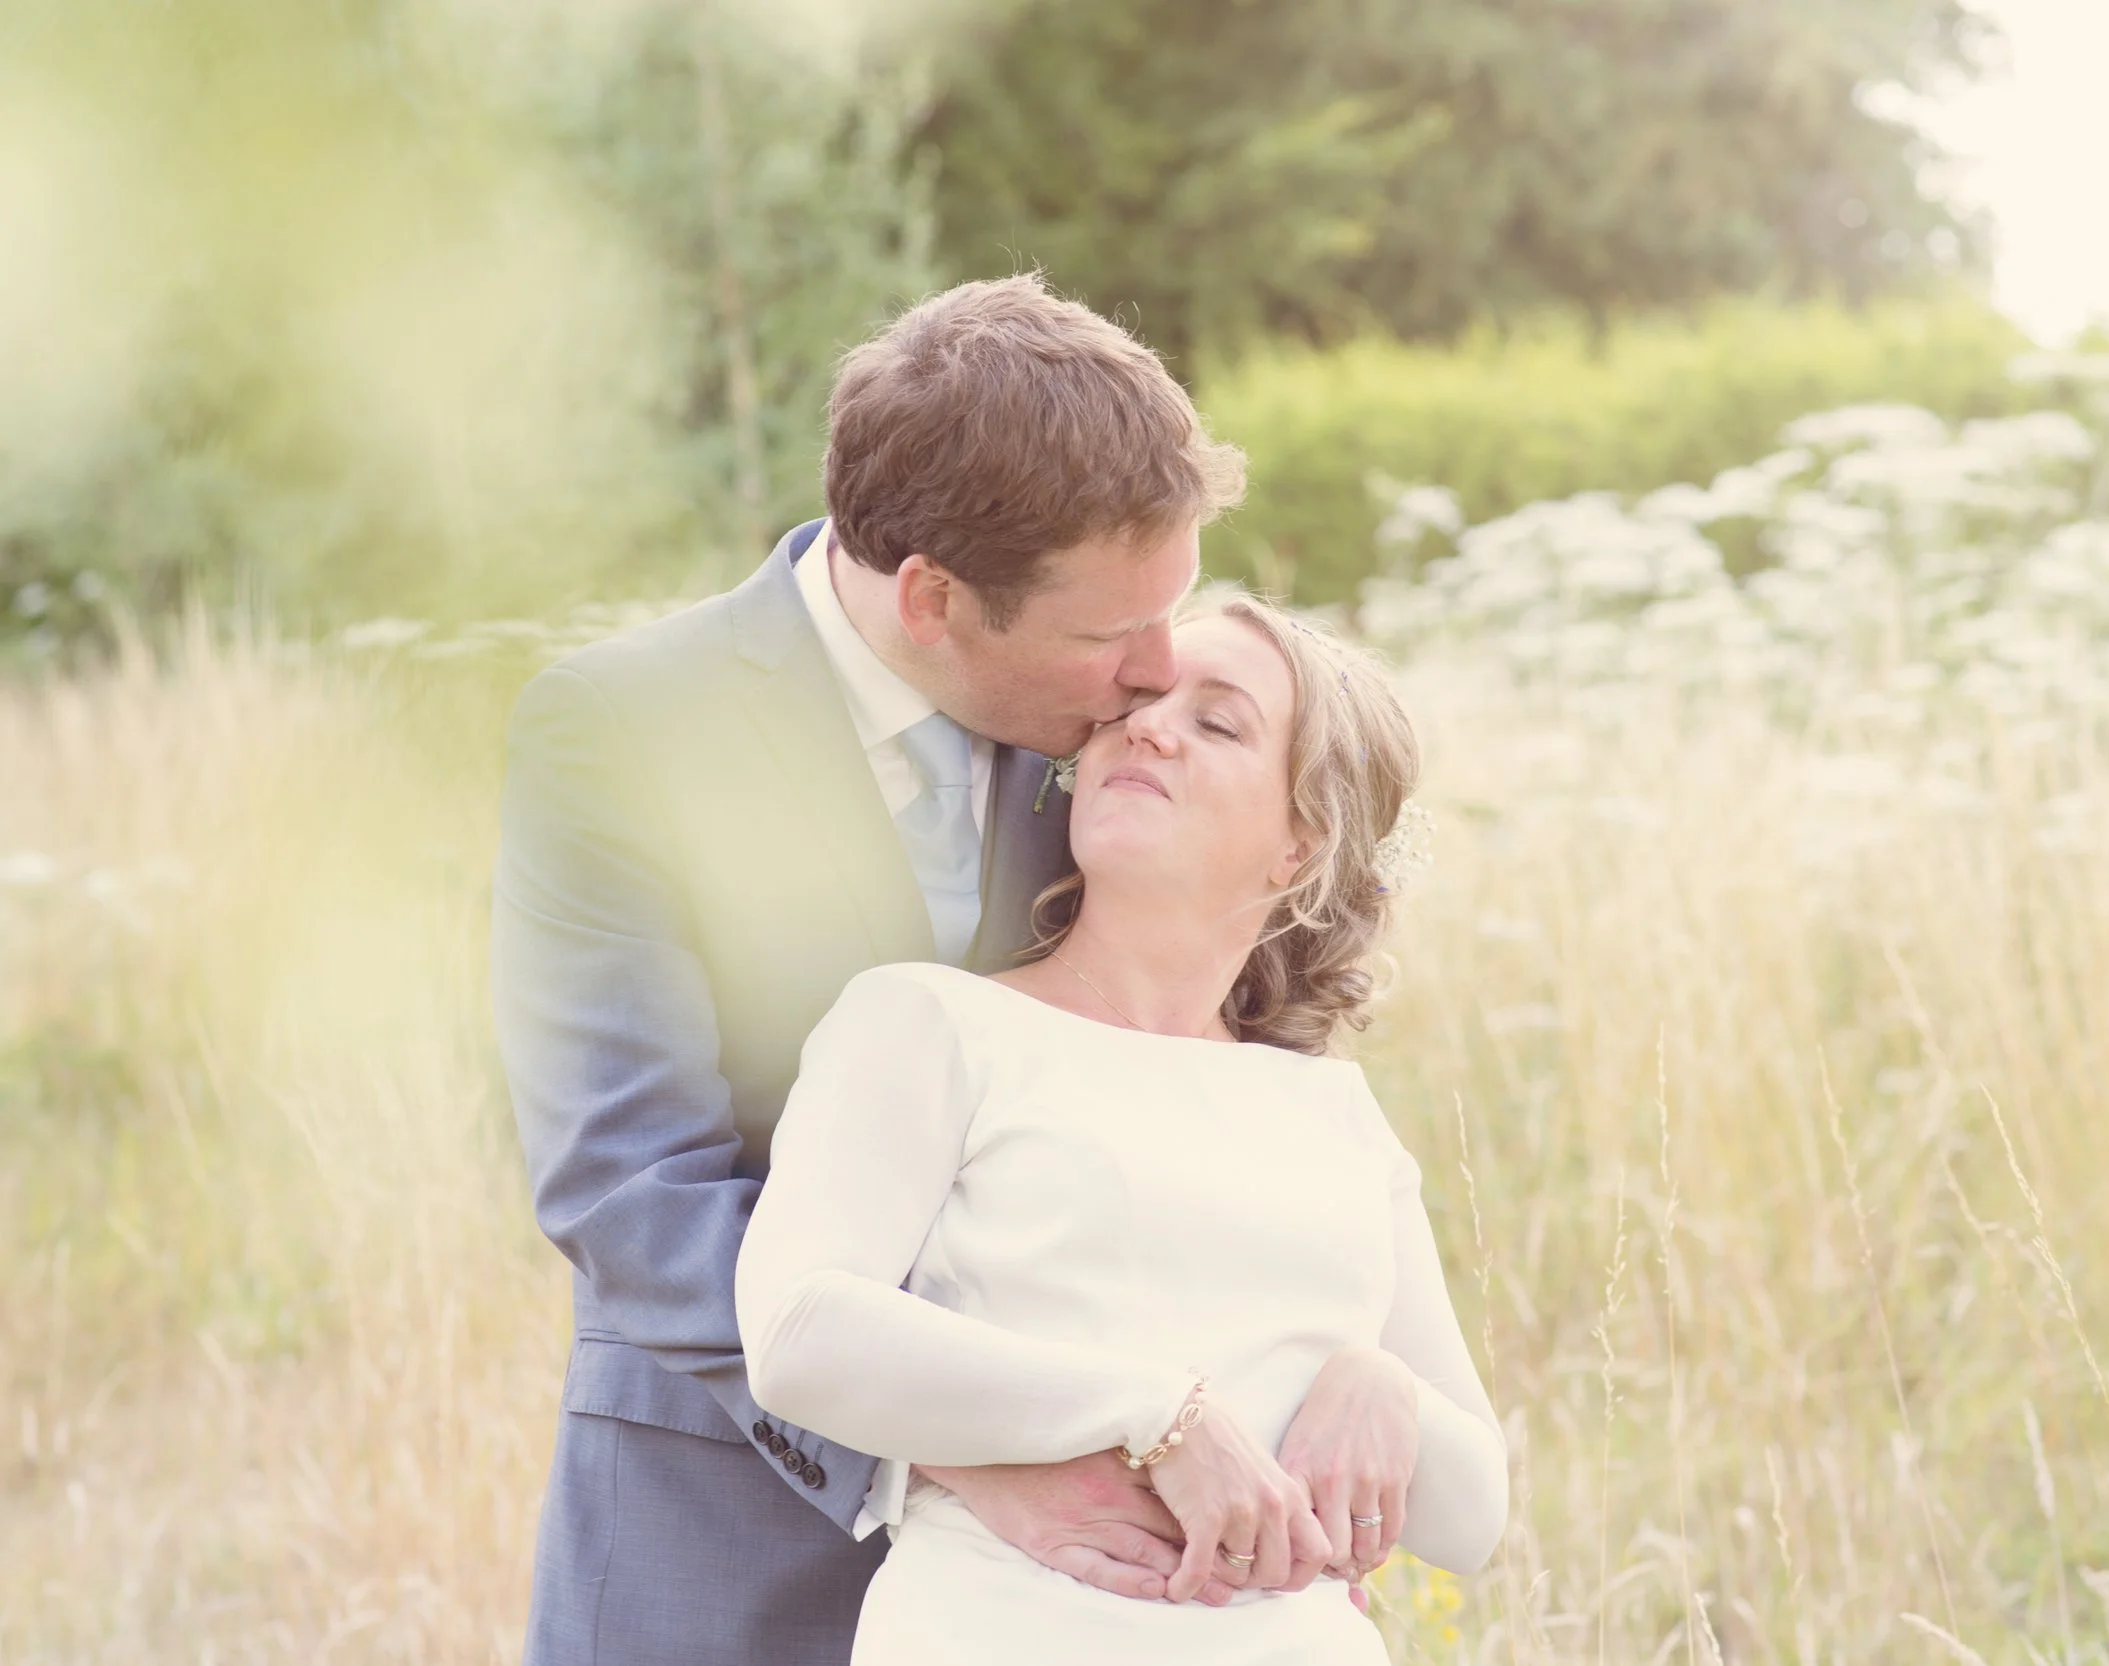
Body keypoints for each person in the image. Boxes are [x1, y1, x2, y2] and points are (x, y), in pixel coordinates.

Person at [491, 276, 1447, 1665]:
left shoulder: (1111, 737)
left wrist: (1346, 1370)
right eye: (1111, 634)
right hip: (728, 1523)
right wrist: (960, 1443)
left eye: (1170, 612)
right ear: (935, 599)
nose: (1155, 672)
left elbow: (1193, 1070)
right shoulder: (620, 733)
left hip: (1095, 1588)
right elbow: (624, 1179)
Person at [736, 595, 1507, 1663]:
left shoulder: (1331, 1112)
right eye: (1135, 706)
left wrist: (1384, 1389)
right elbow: (800, 1333)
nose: (1146, 727)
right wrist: (1158, 1409)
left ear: (1300, 843)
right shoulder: (930, 1022)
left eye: (1218, 722)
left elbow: (1472, 1520)